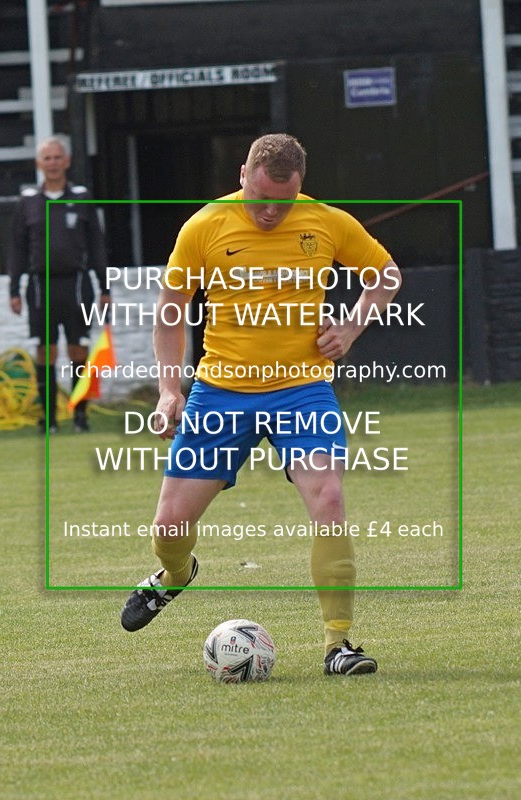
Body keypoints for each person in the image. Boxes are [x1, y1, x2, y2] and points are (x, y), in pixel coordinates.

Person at [121, 133, 402, 676]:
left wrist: (350, 326)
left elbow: (385, 276)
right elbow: (171, 310)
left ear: (301, 186)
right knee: (169, 528)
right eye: (262, 197)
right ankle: (175, 577)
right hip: (221, 392)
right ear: (244, 174)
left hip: (303, 389)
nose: (272, 211)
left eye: (286, 200)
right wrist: (170, 390)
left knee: (329, 499)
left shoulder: (327, 221)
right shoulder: (204, 226)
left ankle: (338, 644)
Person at [7, 135, 109, 433]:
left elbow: (97, 246)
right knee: (45, 351)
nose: (52, 163)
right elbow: (16, 248)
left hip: (77, 285)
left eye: (56, 157)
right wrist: (14, 289)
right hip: (40, 286)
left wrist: (105, 287)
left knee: (79, 350)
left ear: (66, 161)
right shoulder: (28, 202)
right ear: (39, 164)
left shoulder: (82, 197)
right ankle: (49, 419)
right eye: (46, 158)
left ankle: (80, 416)